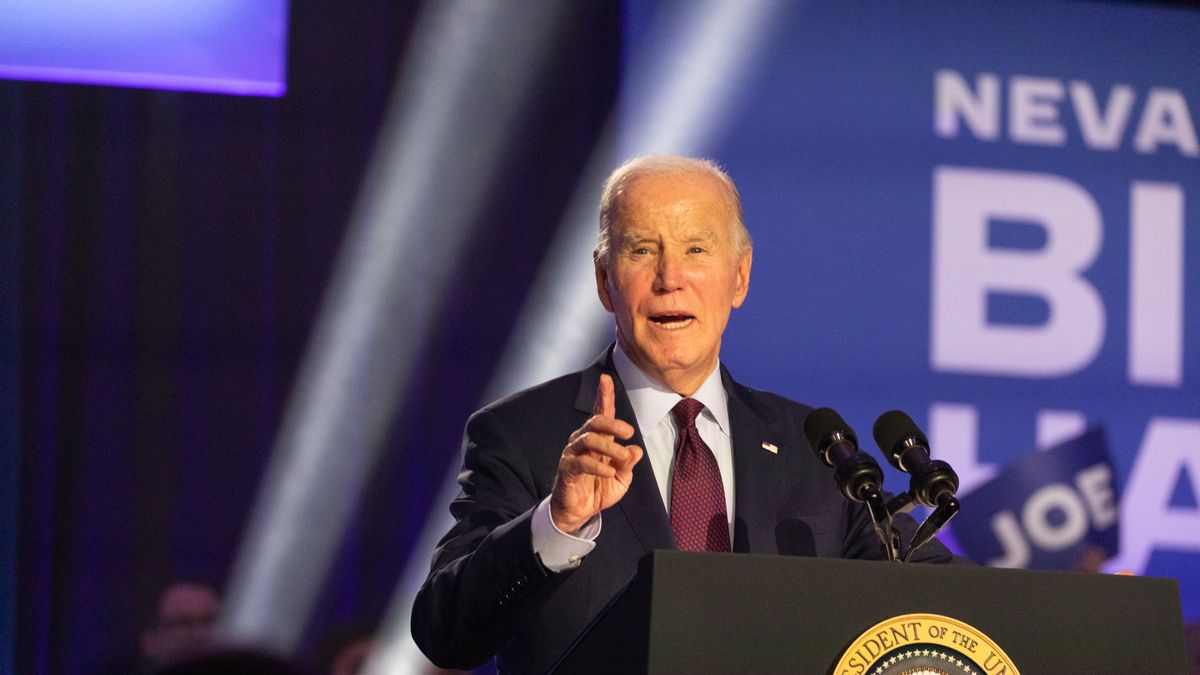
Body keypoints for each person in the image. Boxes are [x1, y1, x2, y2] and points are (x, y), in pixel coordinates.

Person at [411, 155, 960, 673]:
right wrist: (558, 523)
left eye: (697, 250)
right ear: (604, 280)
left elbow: (939, 598)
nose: (669, 276)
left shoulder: (811, 449)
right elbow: (446, 630)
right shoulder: (524, 434)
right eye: (642, 250)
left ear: (739, 277)